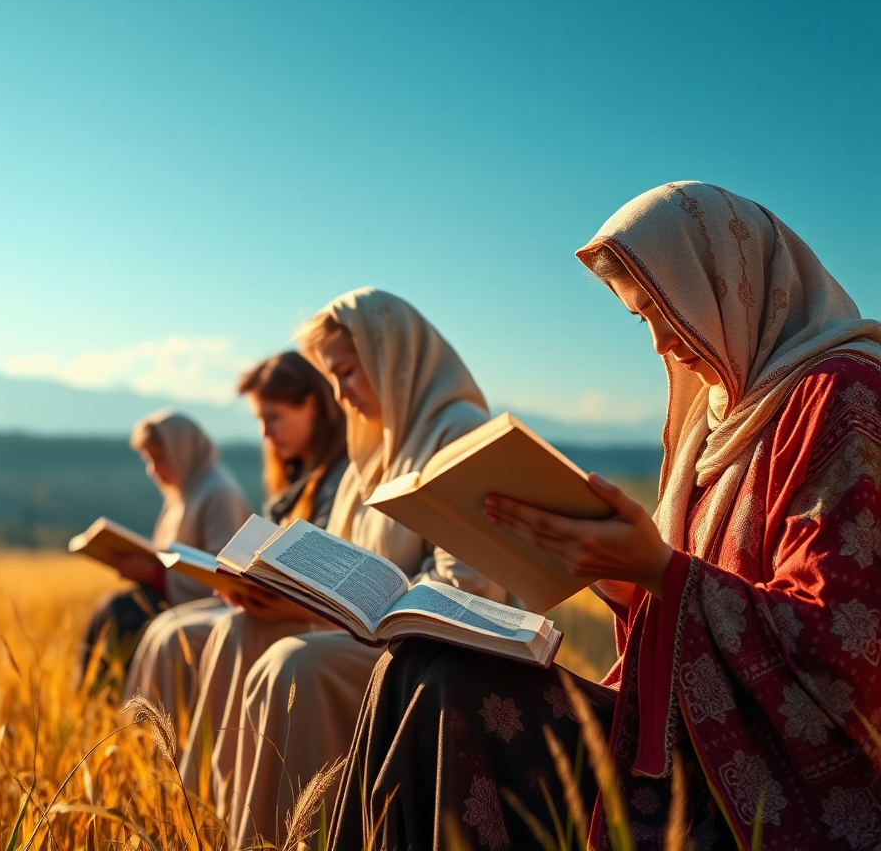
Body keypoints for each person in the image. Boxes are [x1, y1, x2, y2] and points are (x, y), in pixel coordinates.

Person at [328, 182, 881, 851]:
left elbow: (848, 648)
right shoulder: (714, 420)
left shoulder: (844, 396)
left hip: (769, 785)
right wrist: (630, 587)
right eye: (639, 318)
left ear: (730, 285)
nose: (658, 345)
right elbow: (685, 595)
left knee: (447, 687)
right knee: (416, 664)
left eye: (668, 310)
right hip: (678, 737)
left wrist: (659, 571)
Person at [181, 288, 505, 848]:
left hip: (432, 654)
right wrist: (289, 591)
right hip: (369, 635)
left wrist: (368, 606)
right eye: (331, 377)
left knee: (295, 664)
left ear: (393, 358)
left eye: (348, 372)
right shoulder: (371, 450)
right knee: (242, 628)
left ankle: (293, 837)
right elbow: (341, 558)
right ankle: (210, 823)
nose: (339, 393)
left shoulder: (459, 435)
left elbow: (470, 587)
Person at [125, 353, 348, 724]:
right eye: (260, 419)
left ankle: (196, 759)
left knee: (176, 636)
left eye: (273, 417)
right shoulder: (293, 481)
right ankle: (147, 748)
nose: (264, 432)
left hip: (307, 614)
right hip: (271, 603)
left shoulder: (339, 479)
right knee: (161, 628)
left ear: (312, 405)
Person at [80, 410, 250, 687]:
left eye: (159, 458)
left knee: (121, 614)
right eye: (148, 459)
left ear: (182, 451)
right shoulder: (185, 492)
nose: (152, 469)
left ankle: (119, 711)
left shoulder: (219, 494)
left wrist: (155, 575)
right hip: (173, 599)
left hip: (206, 610)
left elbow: (226, 575)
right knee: (109, 609)